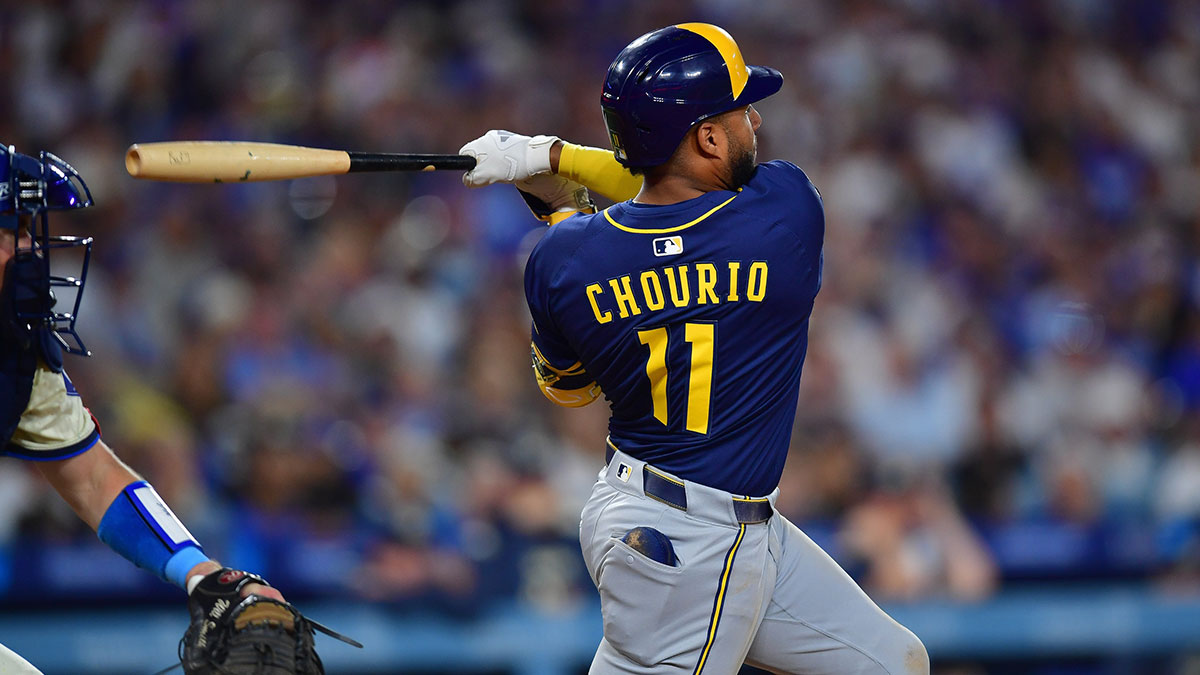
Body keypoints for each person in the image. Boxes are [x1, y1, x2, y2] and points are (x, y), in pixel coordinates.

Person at [460, 23, 929, 674]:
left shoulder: (561, 257)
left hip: (676, 514)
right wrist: (555, 156)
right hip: (684, 546)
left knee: (890, 662)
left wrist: (560, 209)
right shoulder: (786, 210)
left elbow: (567, 388)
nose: (755, 120)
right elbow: (675, 200)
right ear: (708, 136)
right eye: (739, 111)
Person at [0, 144, 283, 674]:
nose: (30, 251)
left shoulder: (14, 350)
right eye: (9, 233)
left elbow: (93, 478)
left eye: (27, 231)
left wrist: (202, 573)